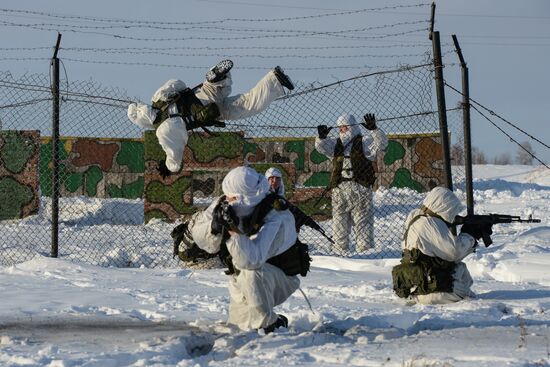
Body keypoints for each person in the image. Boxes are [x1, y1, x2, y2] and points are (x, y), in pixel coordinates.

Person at [182, 166, 303, 333]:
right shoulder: (227, 202)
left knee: (252, 275)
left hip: (280, 278)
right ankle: (270, 319)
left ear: (246, 199)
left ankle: (269, 324)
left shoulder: (277, 216)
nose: (228, 202)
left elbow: (252, 260)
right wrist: (214, 227)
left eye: (233, 199)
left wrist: (232, 232)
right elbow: (203, 240)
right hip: (242, 274)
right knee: (239, 325)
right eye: (228, 197)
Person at [127, 60, 295, 178]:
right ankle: (216, 78)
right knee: (222, 88)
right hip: (202, 94)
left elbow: (174, 155)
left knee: (248, 104)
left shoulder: (163, 130)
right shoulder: (157, 98)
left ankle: (275, 81)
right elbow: (176, 83)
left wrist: (170, 168)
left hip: (209, 112)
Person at [392, 186, 491, 304]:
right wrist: (470, 235)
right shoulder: (429, 224)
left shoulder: (419, 218)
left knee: (460, 269)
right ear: (444, 207)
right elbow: (454, 253)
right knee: (467, 297)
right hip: (432, 289)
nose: (453, 216)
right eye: (452, 211)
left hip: (423, 283)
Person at [315, 113, 388, 253]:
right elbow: (321, 147)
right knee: (338, 224)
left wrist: (374, 130)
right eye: (340, 127)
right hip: (339, 189)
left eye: (345, 127)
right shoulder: (336, 144)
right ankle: (339, 251)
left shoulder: (364, 141)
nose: (342, 130)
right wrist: (321, 137)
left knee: (363, 224)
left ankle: (365, 253)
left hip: (359, 188)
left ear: (352, 127)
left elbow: (381, 143)